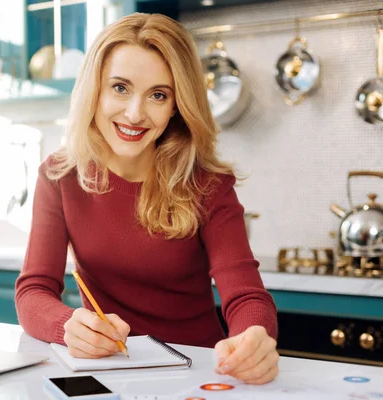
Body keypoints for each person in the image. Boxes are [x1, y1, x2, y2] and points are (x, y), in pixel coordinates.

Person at [15, 13, 279, 385]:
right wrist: (66, 326)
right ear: (96, 90)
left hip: (198, 374)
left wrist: (255, 337)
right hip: (106, 375)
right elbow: (33, 292)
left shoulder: (209, 184)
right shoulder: (60, 175)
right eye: (120, 88)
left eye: (158, 95)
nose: (135, 113)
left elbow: (247, 297)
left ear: (176, 106)